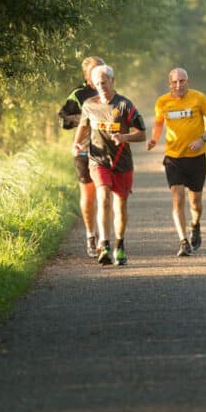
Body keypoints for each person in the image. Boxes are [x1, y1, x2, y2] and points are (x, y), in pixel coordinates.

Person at [72, 64, 146, 266]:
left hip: (122, 163)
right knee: (103, 196)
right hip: (98, 160)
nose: (101, 87)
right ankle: (104, 244)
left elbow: (142, 134)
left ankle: (119, 245)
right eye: (97, 83)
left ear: (113, 81)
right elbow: (83, 126)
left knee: (120, 206)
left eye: (104, 82)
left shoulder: (125, 106)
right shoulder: (89, 105)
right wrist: (76, 144)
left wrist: (124, 137)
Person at [147, 67, 206, 257]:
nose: (179, 85)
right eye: (175, 82)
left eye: (182, 81)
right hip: (173, 158)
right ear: (169, 83)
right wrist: (154, 139)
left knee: (195, 203)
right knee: (178, 199)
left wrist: (202, 139)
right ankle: (183, 241)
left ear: (188, 81)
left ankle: (195, 225)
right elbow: (159, 123)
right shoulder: (162, 102)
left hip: (196, 158)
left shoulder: (198, 98)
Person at [58, 56, 106, 258]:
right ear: (86, 75)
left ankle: (105, 239)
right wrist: (85, 120)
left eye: (101, 70)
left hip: (106, 150)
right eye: (94, 71)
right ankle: (90, 235)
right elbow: (64, 119)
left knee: (105, 195)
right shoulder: (78, 94)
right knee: (89, 195)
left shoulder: (108, 91)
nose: (98, 75)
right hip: (84, 150)